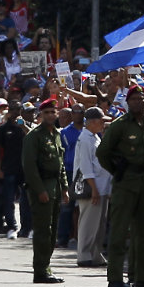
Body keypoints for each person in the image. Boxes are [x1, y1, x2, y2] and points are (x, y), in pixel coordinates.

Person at [96, 85, 144, 287]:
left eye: (140, 99)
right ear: (127, 102)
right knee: (119, 231)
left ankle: (143, 278)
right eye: (133, 99)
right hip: (125, 182)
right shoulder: (120, 125)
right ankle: (115, 278)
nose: (137, 102)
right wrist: (117, 170)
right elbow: (103, 152)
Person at [21, 97, 68, 283]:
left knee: (53, 230)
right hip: (42, 186)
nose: (50, 115)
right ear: (40, 115)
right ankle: (40, 270)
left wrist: (64, 188)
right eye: (46, 112)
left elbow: (61, 164)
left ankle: (46, 266)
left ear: (57, 114)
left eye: (53, 112)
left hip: (55, 186)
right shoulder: (34, 136)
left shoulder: (56, 134)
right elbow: (29, 167)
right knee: (43, 230)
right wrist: (39, 190)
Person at [74, 107, 110, 267]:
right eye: (101, 121)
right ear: (93, 122)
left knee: (99, 224)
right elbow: (85, 166)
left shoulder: (95, 137)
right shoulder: (85, 139)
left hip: (102, 187)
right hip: (92, 188)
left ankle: (96, 254)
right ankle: (84, 255)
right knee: (88, 222)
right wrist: (93, 188)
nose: (103, 124)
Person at [0, 100, 24, 237]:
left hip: (24, 169)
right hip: (9, 168)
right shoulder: (3, 128)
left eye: (19, 109)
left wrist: (23, 126)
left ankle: (27, 227)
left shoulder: (25, 127)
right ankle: (12, 226)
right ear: (9, 111)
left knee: (26, 200)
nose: (16, 112)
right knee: (8, 199)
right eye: (14, 109)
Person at [56, 104, 84, 249]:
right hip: (69, 171)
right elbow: (61, 153)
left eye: (80, 112)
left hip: (85, 172)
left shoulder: (89, 130)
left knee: (83, 207)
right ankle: (62, 238)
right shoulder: (65, 132)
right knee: (67, 206)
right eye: (75, 112)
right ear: (72, 114)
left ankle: (81, 238)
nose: (78, 114)